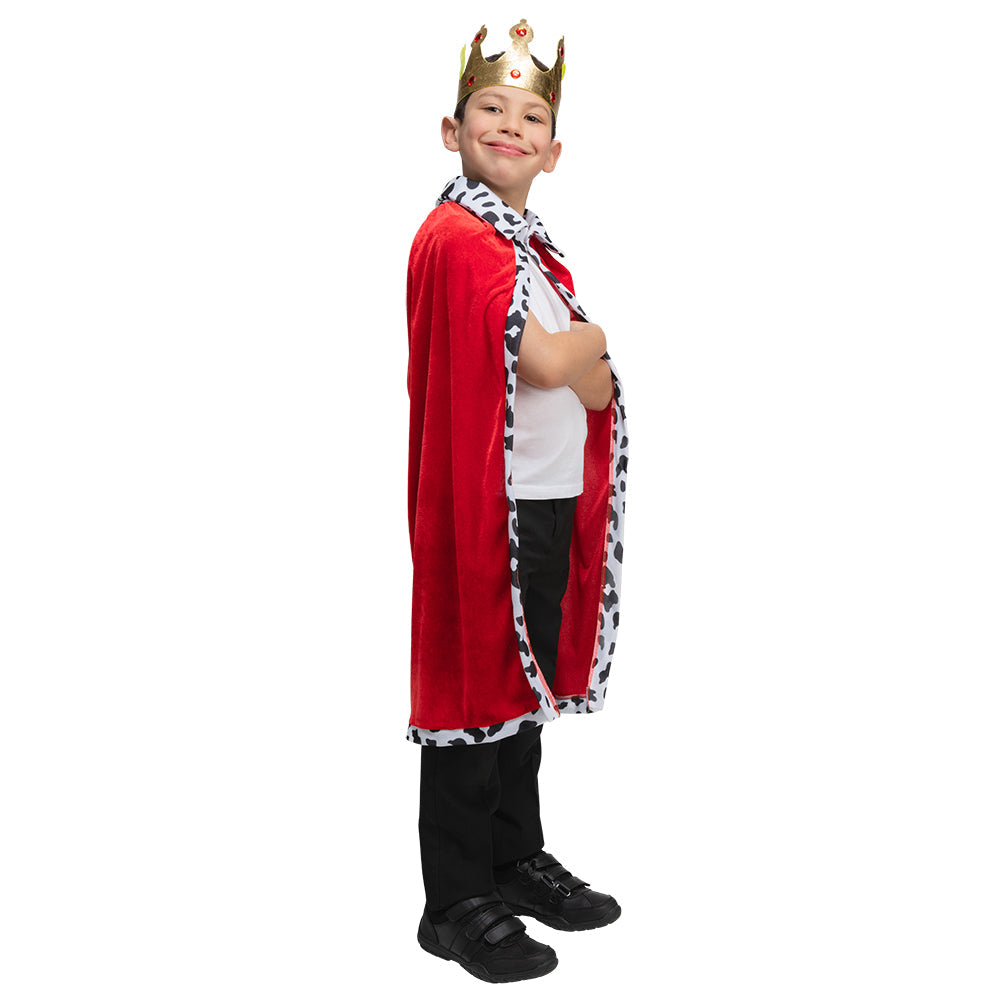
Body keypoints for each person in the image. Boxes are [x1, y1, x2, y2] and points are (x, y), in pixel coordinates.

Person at [406, 20, 629, 983]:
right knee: (474, 692)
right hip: (484, 509)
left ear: (553, 149)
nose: (510, 125)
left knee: (520, 696)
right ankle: (456, 899)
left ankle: (511, 858)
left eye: (530, 116)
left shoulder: (529, 250)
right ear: (451, 132)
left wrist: (581, 357)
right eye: (489, 109)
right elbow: (554, 362)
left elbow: (597, 389)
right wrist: (589, 343)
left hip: (542, 499)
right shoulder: (460, 238)